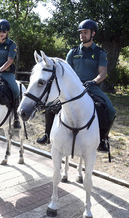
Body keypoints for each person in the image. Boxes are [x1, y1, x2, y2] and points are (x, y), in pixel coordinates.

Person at [37, 19, 116, 153]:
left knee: (110, 110)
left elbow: (103, 73)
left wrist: (94, 81)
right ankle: (47, 134)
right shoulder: (73, 52)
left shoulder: (100, 53)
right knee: (50, 106)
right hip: (72, 87)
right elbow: (64, 71)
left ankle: (103, 140)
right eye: (81, 32)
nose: (82, 35)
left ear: (93, 33)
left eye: (85, 32)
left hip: (92, 87)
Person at [0, 19, 21, 129]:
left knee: (16, 91)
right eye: (0, 31)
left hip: (5, 73)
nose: (1, 34)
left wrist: (0, 70)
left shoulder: (11, 45)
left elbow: (10, 60)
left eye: (4, 32)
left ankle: (16, 118)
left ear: (7, 33)